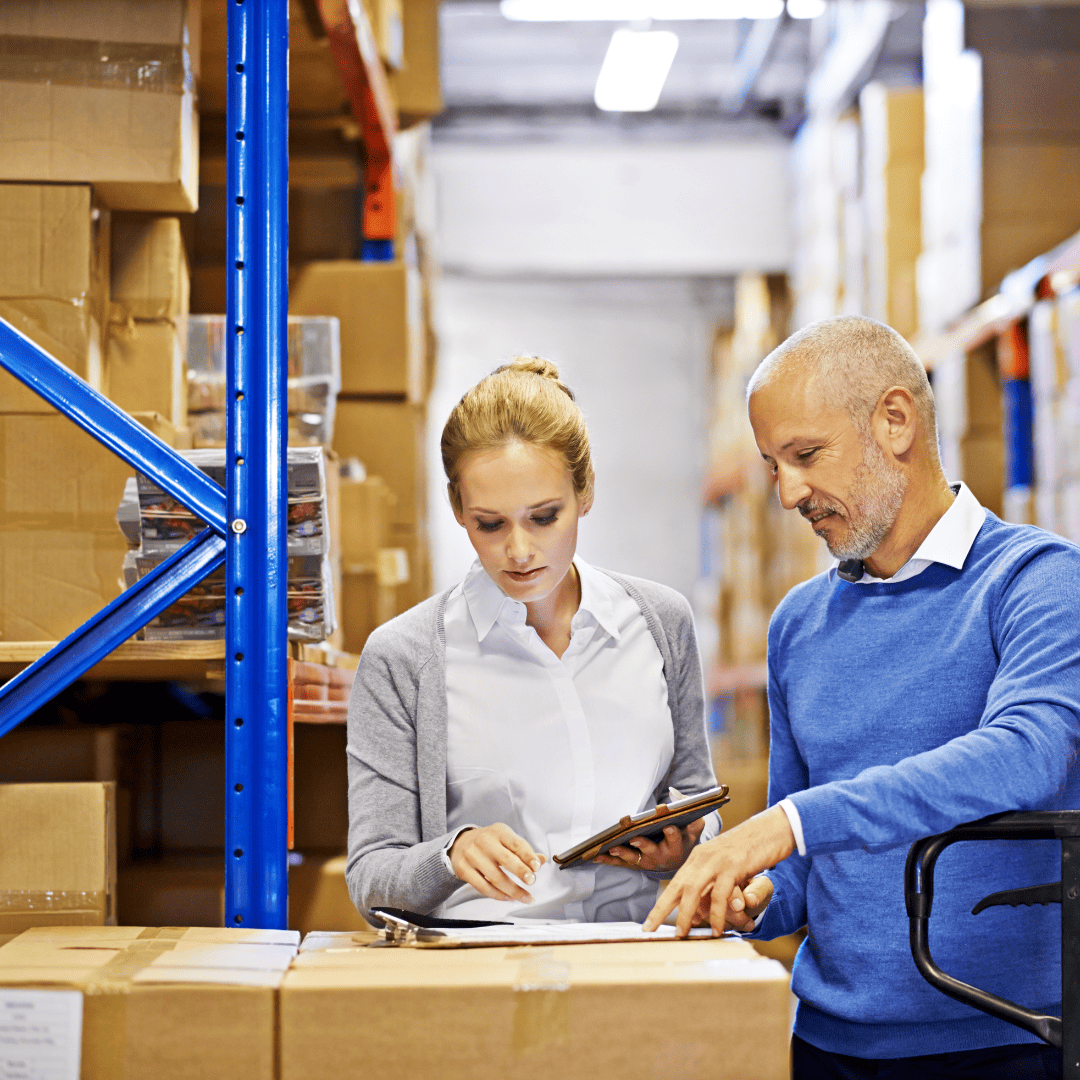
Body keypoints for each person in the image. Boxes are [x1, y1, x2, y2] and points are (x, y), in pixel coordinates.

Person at [645, 316, 1078, 1078]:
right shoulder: (800, 625)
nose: (787, 493)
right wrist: (746, 891)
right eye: (773, 465)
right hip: (828, 1048)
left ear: (896, 421)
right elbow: (806, 874)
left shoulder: (1035, 583)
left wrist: (791, 824)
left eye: (805, 456)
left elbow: (1027, 755)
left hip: (1003, 1044)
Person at [346, 355, 719, 923]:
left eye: (544, 517)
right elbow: (371, 878)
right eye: (489, 524)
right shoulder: (404, 657)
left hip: (641, 959)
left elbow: (700, 800)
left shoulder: (661, 623)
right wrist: (449, 855)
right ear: (457, 511)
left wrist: (685, 843)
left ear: (586, 492)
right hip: (486, 972)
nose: (519, 551)